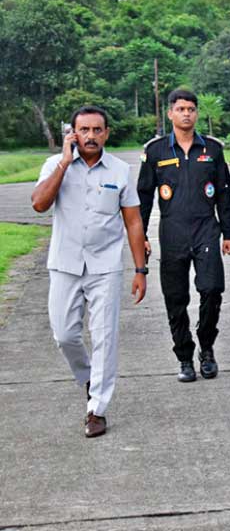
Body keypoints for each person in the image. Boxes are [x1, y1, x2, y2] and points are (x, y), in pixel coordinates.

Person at [31, 106, 148, 437]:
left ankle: (97, 408)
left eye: (97, 130)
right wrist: (65, 163)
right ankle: (88, 378)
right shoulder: (55, 165)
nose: (91, 136)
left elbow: (133, 220)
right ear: (74, 133)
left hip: (105, 266)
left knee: (104, 336)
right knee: (64, 334)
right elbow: (39, 204)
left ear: (107, 133)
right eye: (84, 130)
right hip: (65, 264)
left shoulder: (121, 171)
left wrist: (140, 269)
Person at [137, 89, 230, 382]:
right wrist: (139, 235)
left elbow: (224, 194)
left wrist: (228, 232)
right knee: (175, 298)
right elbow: (143, 198)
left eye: (191, 109)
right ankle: (184, 357)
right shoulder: (156, 151)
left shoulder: (213, 149)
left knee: (211, 289)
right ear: (170, 113)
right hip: (172, 233)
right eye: (180, 109)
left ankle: (206, 348)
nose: (186, 114)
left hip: (206, 229)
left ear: (196, 113)